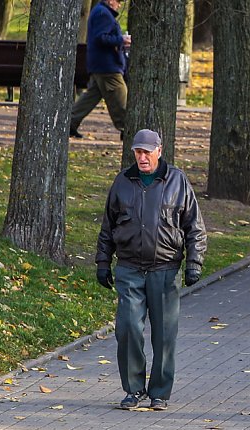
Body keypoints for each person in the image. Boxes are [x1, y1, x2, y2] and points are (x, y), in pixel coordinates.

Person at [95, 128, 208, 411]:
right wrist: (102, 262)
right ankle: (133, 389)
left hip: (165, 270)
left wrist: (194, 263)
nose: (142, 157)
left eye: (147, 151)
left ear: (159, 150)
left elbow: (194, 227)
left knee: (164, 334)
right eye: (138, 151)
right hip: (130, 269)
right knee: (128, 328)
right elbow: (108, 227)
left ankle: (159, 392)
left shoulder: (177, 181)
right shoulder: (122, 182)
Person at [70, 0, 131, 138]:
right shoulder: (103, 13)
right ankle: (127, 128)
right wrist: (121, 40)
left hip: (100, 64)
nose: (119, 5)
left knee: (90, 97)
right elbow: (101, 38)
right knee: (121, 97)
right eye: (118, 1)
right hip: (108, 66)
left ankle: (71, 122)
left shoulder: (100, 12)